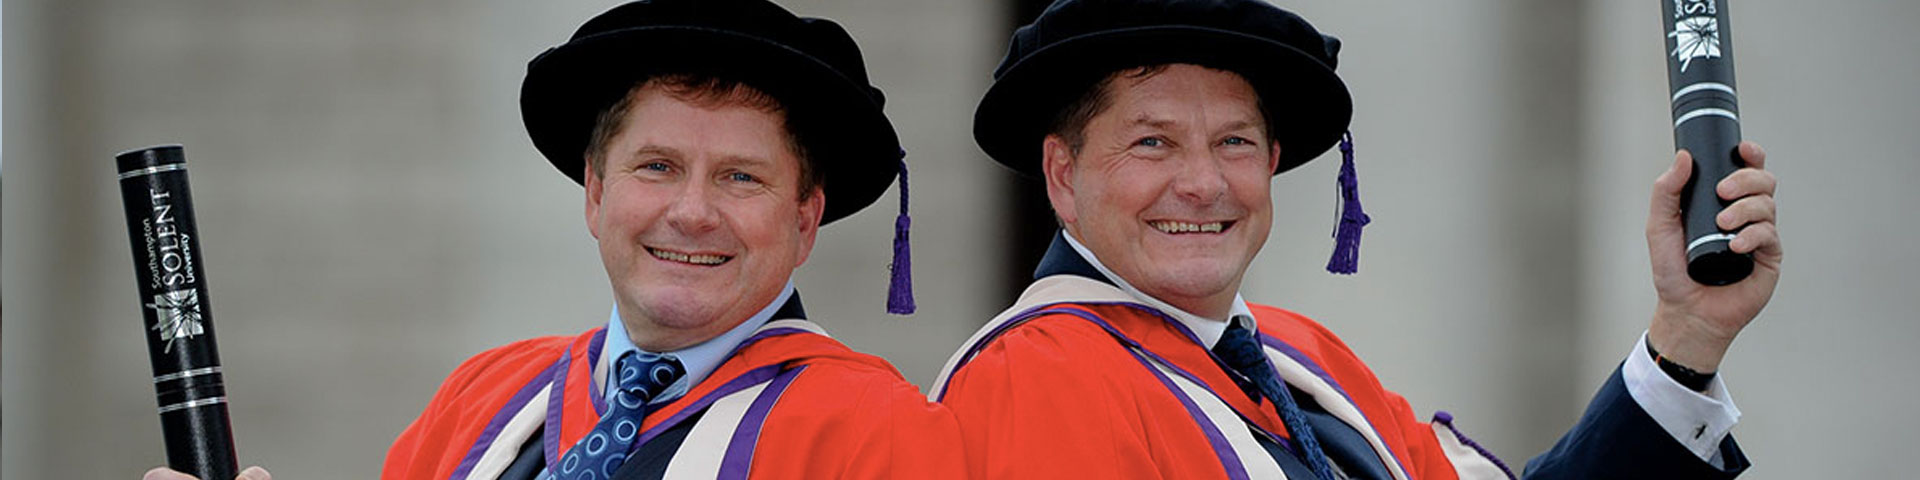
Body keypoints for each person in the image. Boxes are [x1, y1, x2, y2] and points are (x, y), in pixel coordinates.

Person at [930, 0, 1779, 479]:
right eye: (1152, 142)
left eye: (1234, 143)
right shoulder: (1036, 377)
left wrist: (1686, 333)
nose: (1202, 183)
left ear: (1271, 164)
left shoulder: (1306, 361)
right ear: (1063, 174)